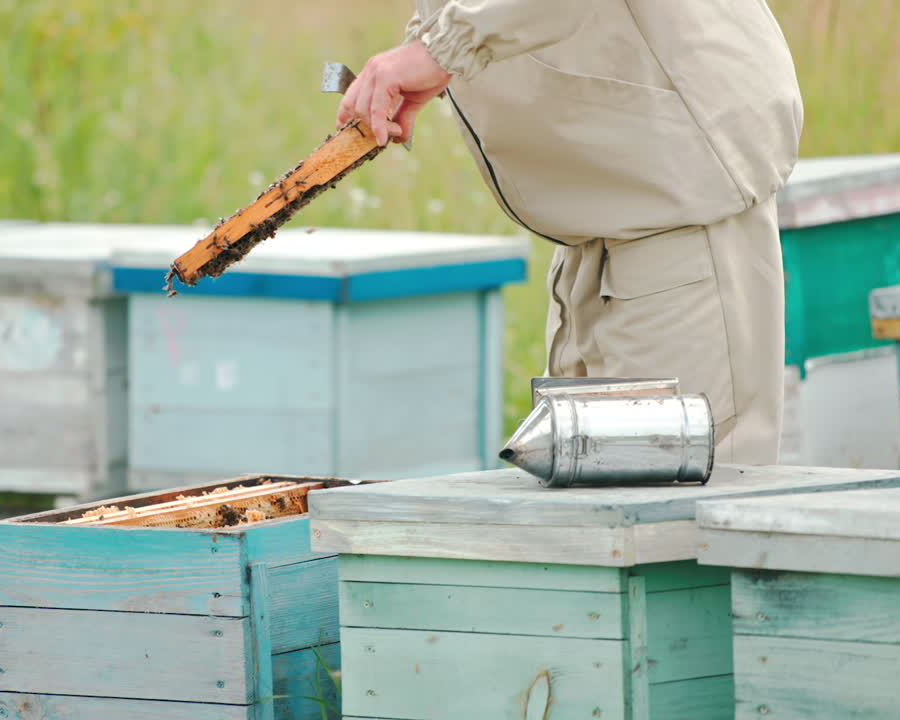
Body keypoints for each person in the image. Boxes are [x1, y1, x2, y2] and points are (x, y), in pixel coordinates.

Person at [337, 1, 803, 465]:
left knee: (671, 516)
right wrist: (425, 46)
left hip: (680, 219)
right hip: (603, 226)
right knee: (590, 514)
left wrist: (444, 47)